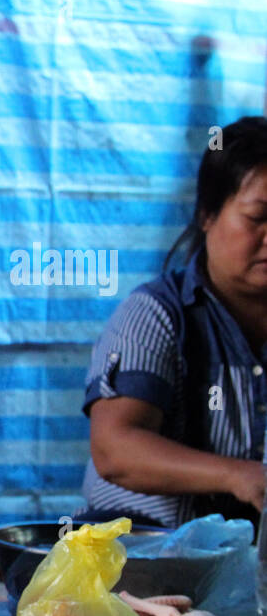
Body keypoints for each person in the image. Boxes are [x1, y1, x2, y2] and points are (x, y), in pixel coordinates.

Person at [81, 115, 267, 530]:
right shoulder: (154, 315)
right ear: (207, 214)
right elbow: (115, 450)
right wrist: (240, 475)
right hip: (141, 564)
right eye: (258, 218)